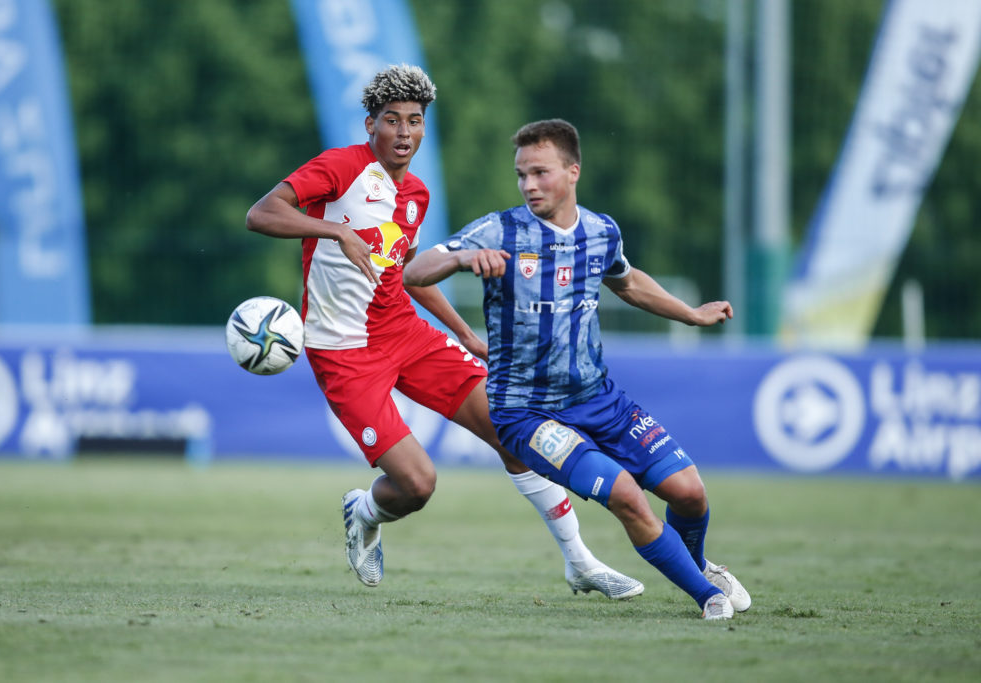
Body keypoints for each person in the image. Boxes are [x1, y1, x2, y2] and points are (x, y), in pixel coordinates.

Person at [245, 66, 642, 599]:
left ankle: (580, 562)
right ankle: (363, 512)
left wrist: (466, 333)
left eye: (415, 120)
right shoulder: (340, 167)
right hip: (342, 352)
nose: (405, 132)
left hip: (404, 333)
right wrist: (335, 229)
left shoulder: (416, 195)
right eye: (392, 120)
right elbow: (261, 213)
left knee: (509, 431)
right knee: (417, 485)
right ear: (371, 125)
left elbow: (407, 275)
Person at [403, 118, 752, 620]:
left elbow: (628, 284)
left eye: (540, 173)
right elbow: (414, 273)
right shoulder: (498, 230)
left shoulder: (600, 231)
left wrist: (691, 313)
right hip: (526, 413)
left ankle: (697, 568)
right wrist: (464, 259)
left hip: (599, 400)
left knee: (690, 493)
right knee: (628, 497)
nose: (528, 185)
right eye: (522, 175)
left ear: (572, 172)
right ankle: (707, 597)